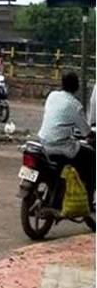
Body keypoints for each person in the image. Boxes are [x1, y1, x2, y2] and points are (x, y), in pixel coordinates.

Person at [37, 72, 94, 204]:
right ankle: (88, 198)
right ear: (77, 87)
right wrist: (91, 136)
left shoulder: (52, 96)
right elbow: (86, 133)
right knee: (91, 157)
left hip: (43, 142)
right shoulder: (75, 105)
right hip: (61, 146)